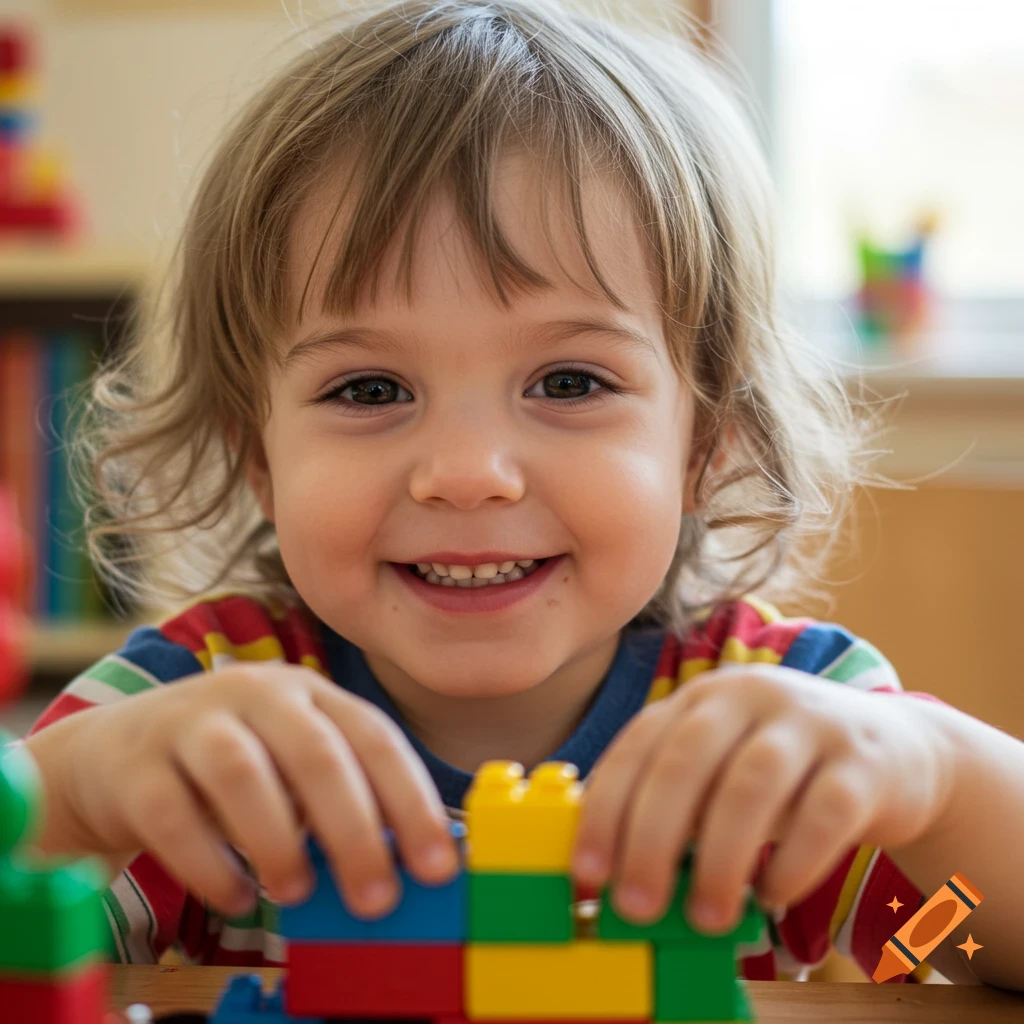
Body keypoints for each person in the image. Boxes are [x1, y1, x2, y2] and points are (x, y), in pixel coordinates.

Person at [17, 0, 1024, 992]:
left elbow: (969, 949)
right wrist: (81, 792)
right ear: (258, 457)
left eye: (569, 383)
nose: (466, 473)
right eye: (369, 390)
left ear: (706, 441)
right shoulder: (194, 718)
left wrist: (934, 782)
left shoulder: (781, 742)